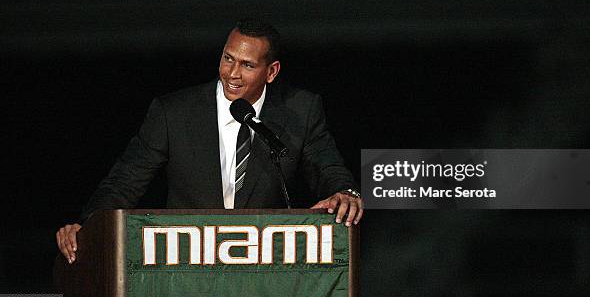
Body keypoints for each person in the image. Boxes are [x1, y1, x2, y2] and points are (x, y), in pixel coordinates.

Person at [56, 19, 363, 263]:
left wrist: (344, 193)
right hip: (189, 264)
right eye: (228, 59)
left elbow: (326, 165)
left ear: (271, 72)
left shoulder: (300, 110)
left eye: (247, 65)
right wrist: (89, 226)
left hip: (265, 265)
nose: (232, 73)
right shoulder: (173, 113)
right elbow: (125, 181)